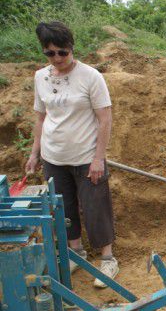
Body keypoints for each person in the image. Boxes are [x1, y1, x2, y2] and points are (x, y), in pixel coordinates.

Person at [25, 21, 119, 288]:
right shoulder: (40, 77)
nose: (57, 58)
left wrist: (99, 158)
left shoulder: (91, 76)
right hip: (53, 157)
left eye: (62, 52)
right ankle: (75, 252)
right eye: (50, 53)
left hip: (86, 157)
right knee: (63, 210)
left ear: (71, 48)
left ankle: (108, 259)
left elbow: (104, 119)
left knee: (95, 208)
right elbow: (41, 119)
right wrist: (35, 154)